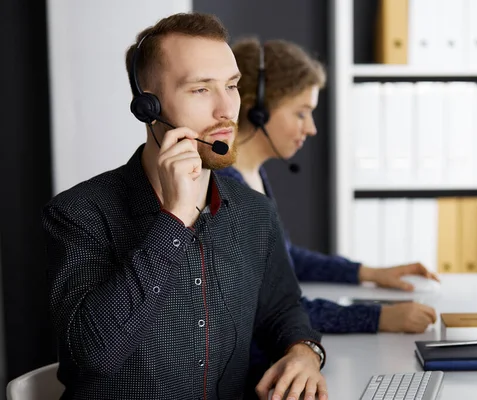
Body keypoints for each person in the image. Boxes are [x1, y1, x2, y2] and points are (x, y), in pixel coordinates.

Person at [41, 13, 328, 400]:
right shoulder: (78, 213)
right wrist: (174, 220)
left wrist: (305, 352)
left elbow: (283, 309)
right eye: (200, 90)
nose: (227, 109)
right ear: (148, 107)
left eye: (232, 85)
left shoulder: (254, 212)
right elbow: (93, 353)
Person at [216, 37, 439, 336]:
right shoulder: (229, 189)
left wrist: (367, 273)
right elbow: (267, 308)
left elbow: (284, 257)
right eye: (301, 112)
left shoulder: (250, 174)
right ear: (259, 109)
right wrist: (379, 318)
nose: (311, 128)